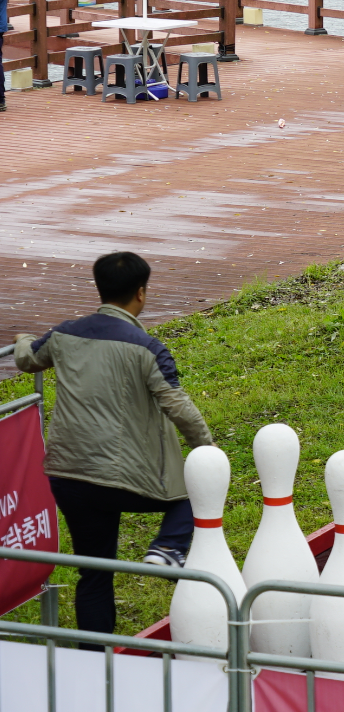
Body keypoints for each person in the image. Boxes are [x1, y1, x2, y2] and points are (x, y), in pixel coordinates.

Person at [13, 252, 213, 645]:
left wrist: (21, 339)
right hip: (126, 479)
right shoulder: (147, 347)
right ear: (141, 293)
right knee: (196, 492)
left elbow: (28, 358)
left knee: (95, 570)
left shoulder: (65, 334)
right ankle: (169, 547)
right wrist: (207, 450)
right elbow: (178, 406)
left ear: (100, 288)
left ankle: (95, 656)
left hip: (69, 476)